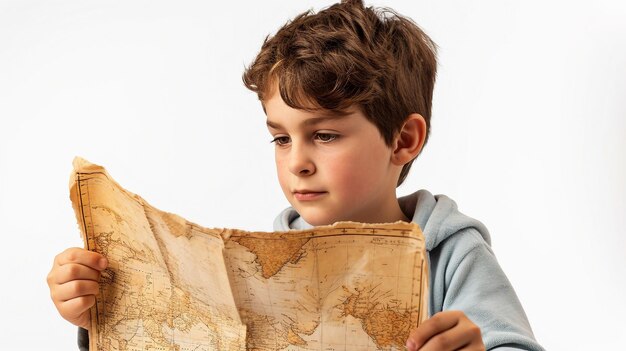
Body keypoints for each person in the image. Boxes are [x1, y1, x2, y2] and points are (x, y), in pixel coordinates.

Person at [47, 1, 545, 350]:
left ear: (403, 140)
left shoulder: (454, 255)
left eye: (324, 136)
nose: (296, 162)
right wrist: (100, 316)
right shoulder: (264, 264)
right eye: (281, 138)